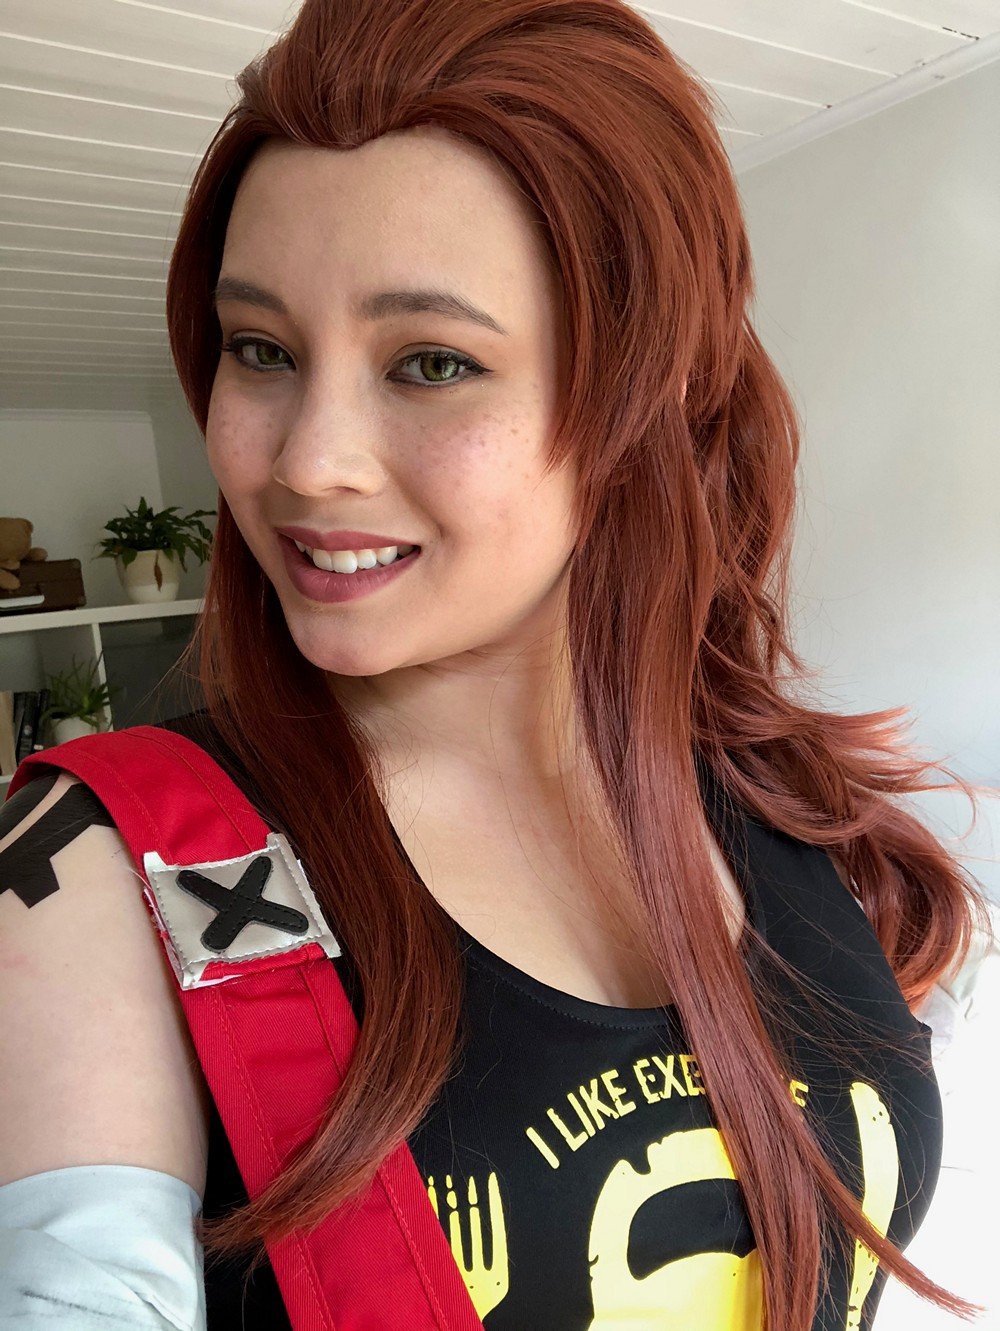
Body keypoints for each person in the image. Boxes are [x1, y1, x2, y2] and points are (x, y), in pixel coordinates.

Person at [0, 1, 994, 1327]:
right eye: (262, 351)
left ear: (642, 401)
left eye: (431, 362)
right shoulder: (99, 876)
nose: (306, 462)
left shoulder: (779, 797)